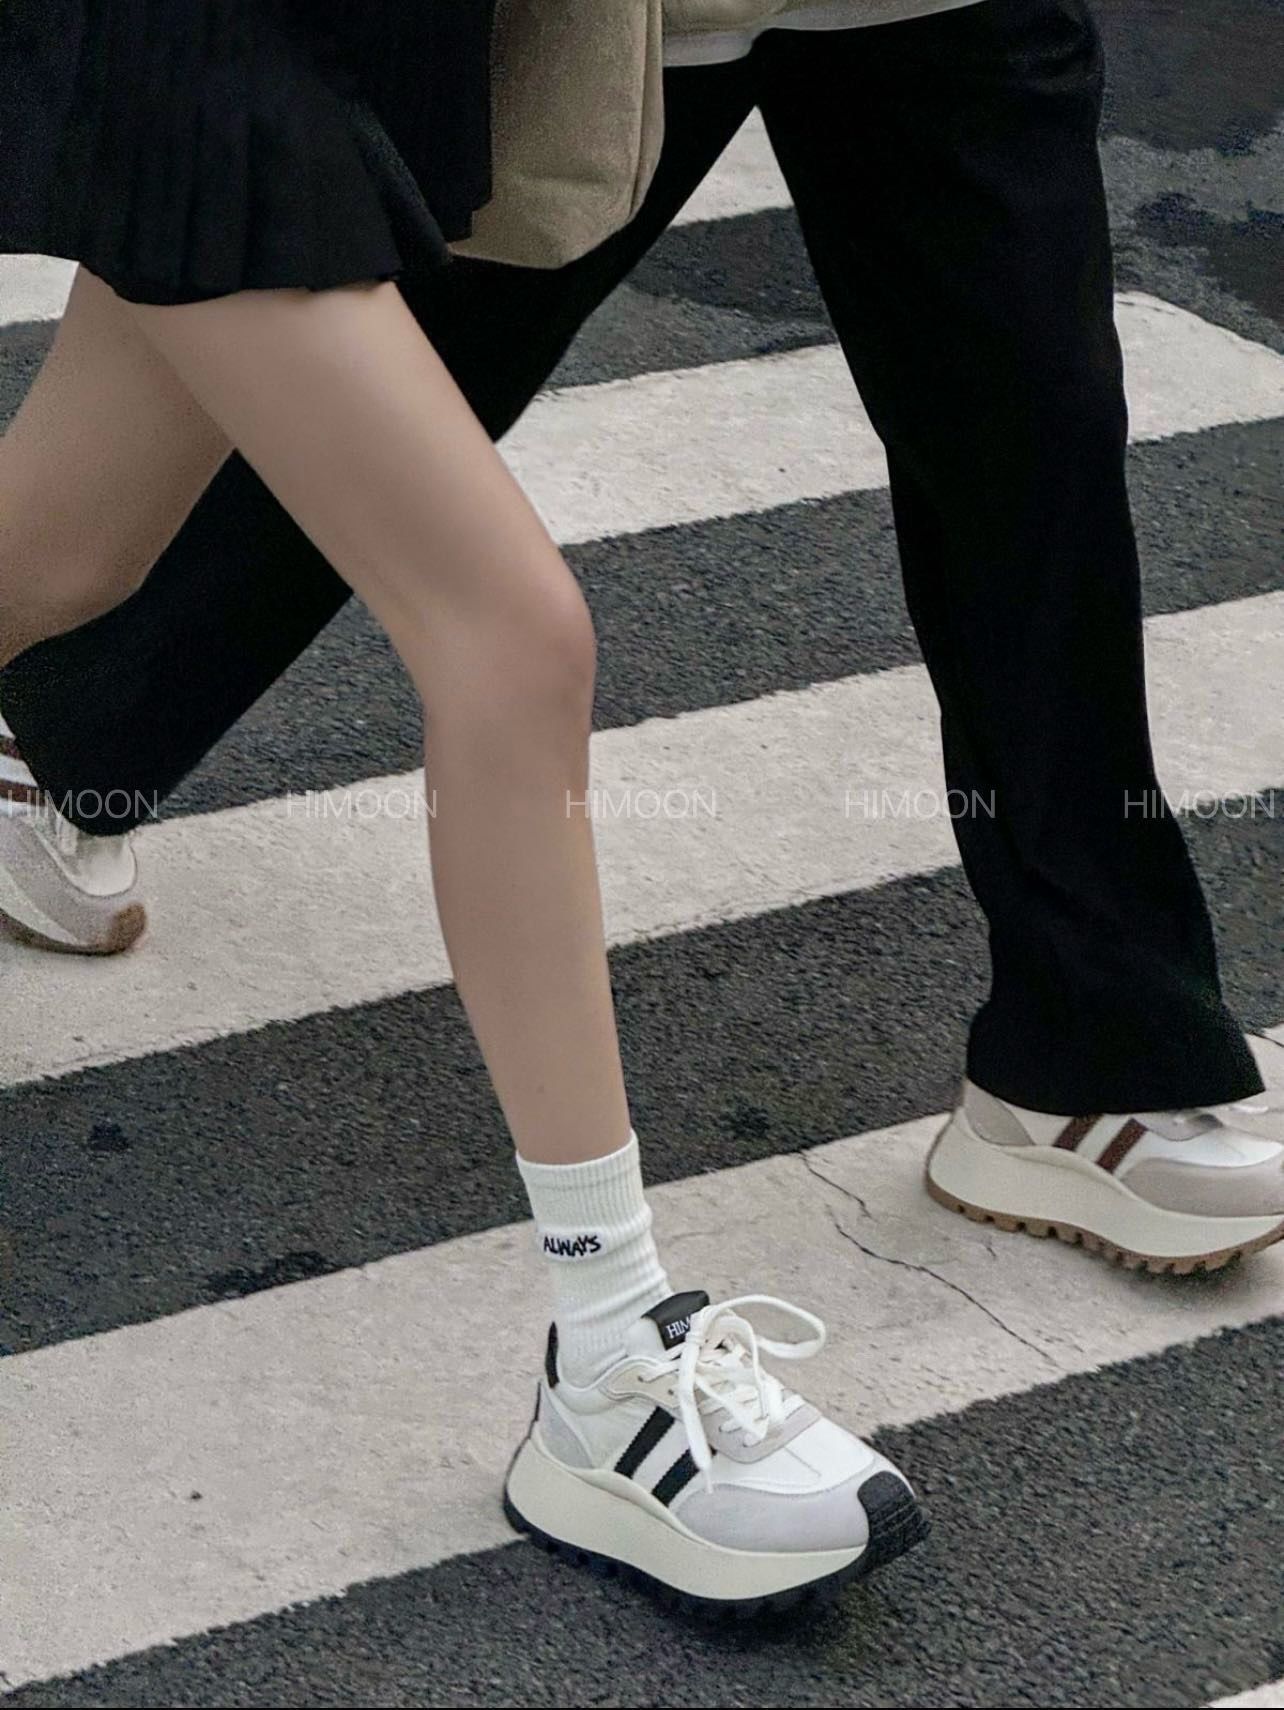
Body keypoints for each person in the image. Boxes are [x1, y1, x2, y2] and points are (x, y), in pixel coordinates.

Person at [0, 0, 933, 1614]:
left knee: (64, 552)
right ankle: (611, 1364)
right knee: (512, 634)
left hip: (353, 48)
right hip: (217, 52)